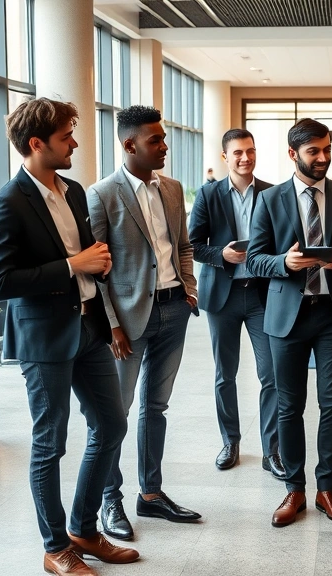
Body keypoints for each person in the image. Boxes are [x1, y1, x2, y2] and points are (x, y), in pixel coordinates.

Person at [0, 97, 138, 575]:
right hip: (44, 338)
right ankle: (55, 548)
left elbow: (86, 255)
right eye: (66, 135)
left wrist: (98, 263)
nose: (74, 142)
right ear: (36, 144)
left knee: (111, 425)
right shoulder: (6, 203)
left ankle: (83, 529)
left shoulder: (71, 191)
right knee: (50, 443)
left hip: (89, 326)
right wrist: (75, 265)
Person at [246, 118, 332, 527]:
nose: (323, 158)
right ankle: (294, 489)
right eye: (313, 152)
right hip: (288, 316)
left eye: (326, 149)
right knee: (289, 407)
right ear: (292, 154)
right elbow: (254, 258)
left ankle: (326, 490)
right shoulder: (269, 200)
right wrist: (283, 262)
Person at [87, 105, 201, 541]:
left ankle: (150, 495)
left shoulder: (171, 189)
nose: (165, 145)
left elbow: (184, 245)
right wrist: (112, 323)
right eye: (155, 140)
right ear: (129, 144)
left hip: (175, 310)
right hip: (128, 319)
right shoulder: (102, 194)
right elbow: (98, 269)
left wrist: (189, 287)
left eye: (164, 137)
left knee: (157, 406)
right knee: (116, 413)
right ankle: (109, 499)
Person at [188, 128, 284, 479]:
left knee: (270, 374)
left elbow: (282, 241)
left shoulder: (272, 193)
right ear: (225, 157)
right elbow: (193, 244)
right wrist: (222, 254)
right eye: (238, 153)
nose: (246, 158)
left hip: (262, 295)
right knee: (224, 375)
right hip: (222, 295)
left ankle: (271, 450)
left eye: (251, 151)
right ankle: (230, 441)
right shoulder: (208, 194)